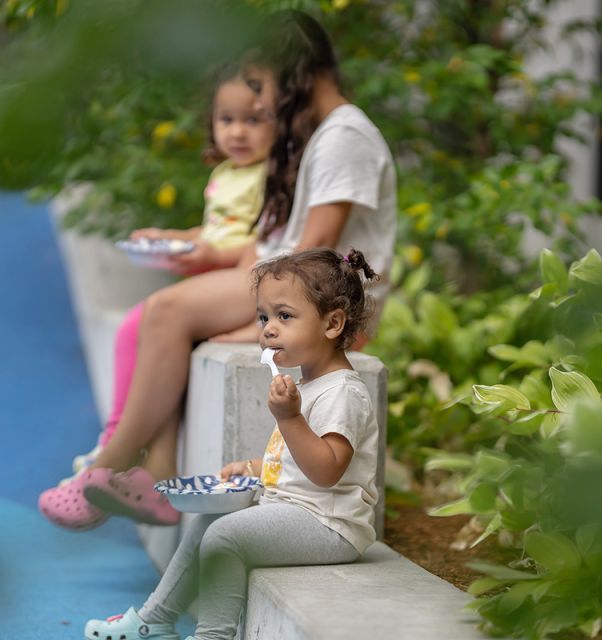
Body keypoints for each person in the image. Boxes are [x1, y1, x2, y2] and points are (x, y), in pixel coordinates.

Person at [38, 9, 396, 532]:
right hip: (294, 283)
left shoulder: (346, 136)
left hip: (320, 297)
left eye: (261, 84)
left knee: (166, 310)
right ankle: (154, 472)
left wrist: (254, 321)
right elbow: (285, 239)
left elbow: (317, 244)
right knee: (165, 318)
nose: (259, 101)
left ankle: (107, 466)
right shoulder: (323, 135)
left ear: (295, 71)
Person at [83, 247, 380, 640]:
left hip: (330, 526)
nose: (268, 329)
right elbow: (298, 461)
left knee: (224, 537)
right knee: (209, 520)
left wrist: (289, 418)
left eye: (284, 316)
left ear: (332, 323)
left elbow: (326, 471)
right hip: (299, 511)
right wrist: (256, 468)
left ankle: (214, 635)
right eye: (264, 317)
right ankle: (155, 619)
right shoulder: (309, 385)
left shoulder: (342, 392)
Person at [66, 59, 276, 479]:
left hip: (241, 282)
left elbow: (258, 239)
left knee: (141, 326)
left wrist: (208, 253)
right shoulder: (225, 173)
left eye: (253, 120)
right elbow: (214, 230)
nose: (237, 131)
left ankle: (117, 444)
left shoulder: (270, 177)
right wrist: (172, 236)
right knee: (136, 331)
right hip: (212, 281)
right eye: (227, 119)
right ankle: (128, 444)